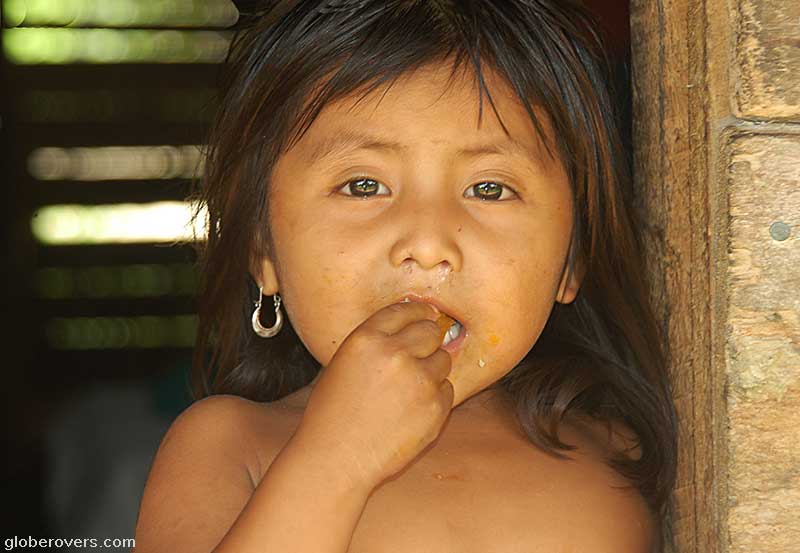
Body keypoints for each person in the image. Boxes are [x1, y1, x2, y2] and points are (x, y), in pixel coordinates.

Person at [134, 1, 678, 552]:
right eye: (363, 186)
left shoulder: (621, 456)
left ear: (572, 258)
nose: (427, 244)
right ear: (262, 248)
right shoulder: (231, 447)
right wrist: (337, 458)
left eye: (489, 189)